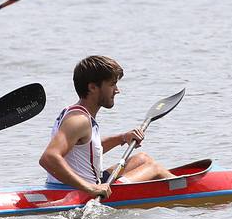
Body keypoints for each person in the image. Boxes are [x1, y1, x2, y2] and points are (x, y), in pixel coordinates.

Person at [39, 56, 173, 198]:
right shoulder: (79, 120)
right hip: (76, 192)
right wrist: (90, 188)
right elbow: (49, 158)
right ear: (92, 87)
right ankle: (191, 190)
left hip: (82, 185)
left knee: (142, 158)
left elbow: (85, 150)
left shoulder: (76, 113)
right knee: (154, 168)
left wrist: (122, 138)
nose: (117, 90)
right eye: (112, 84)